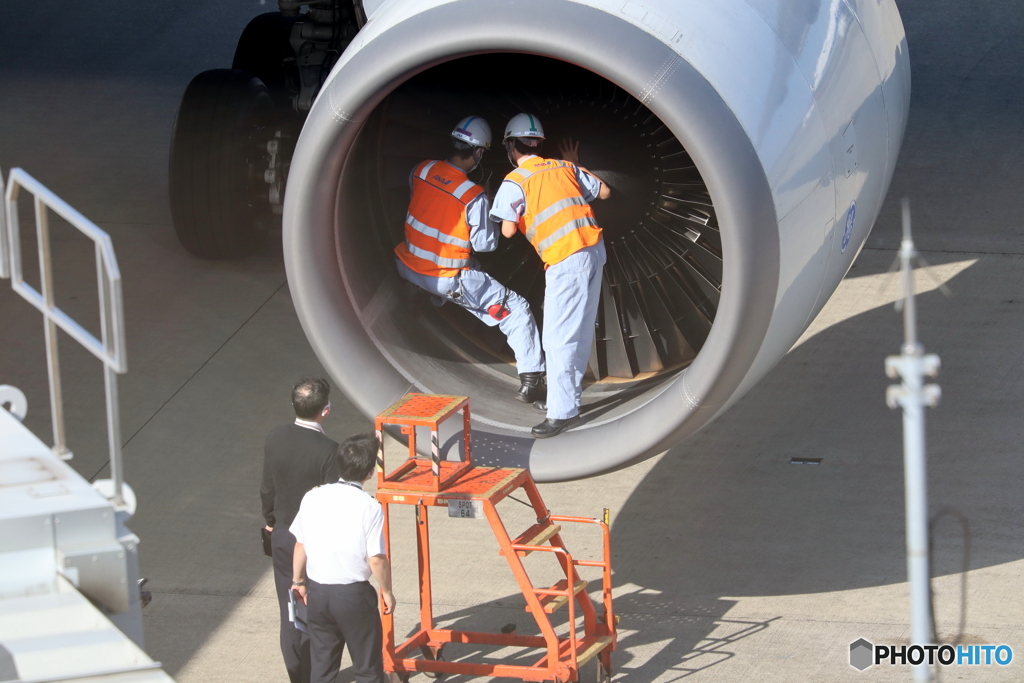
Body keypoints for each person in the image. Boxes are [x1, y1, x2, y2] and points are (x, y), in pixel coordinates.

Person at [394, 115, 546, 404]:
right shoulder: (472, 195)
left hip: (406, 265)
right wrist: (486, 204)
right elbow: (486, 245)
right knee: (517, 309)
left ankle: (420, 293)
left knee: (471, 269)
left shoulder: (421, 169)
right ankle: (532, 379)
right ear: (478, 153)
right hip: (446, 279)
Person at [490, 113, 611, 439]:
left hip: (566, 260)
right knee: (580, 332)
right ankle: (565, 401)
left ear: (511, 147)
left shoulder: (514, 181)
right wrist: (576, 163)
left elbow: (508, 230)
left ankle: (561, 413)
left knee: (557, 340)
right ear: (538, 145)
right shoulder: (563, 167)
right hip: (594, 251)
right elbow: (603, 193)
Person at [290, 434, 395, 683]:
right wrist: (387, 591)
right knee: (367, 668)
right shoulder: (369, 506)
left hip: (318, 594)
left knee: (323, 668)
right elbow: (376, 559)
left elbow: (300, 544)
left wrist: (298, 582)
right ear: (369, 472)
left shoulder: (312, 496)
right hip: (353, 597)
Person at [261, 377, 340, 683]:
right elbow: (332, 503)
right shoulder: (329, 450)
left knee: (290, 614)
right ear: (326, 410)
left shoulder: (276, 436)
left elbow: (267, 487)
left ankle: (298, 677)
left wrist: (270, 520)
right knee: (317, 616)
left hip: (281, 535)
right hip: (314, 543)